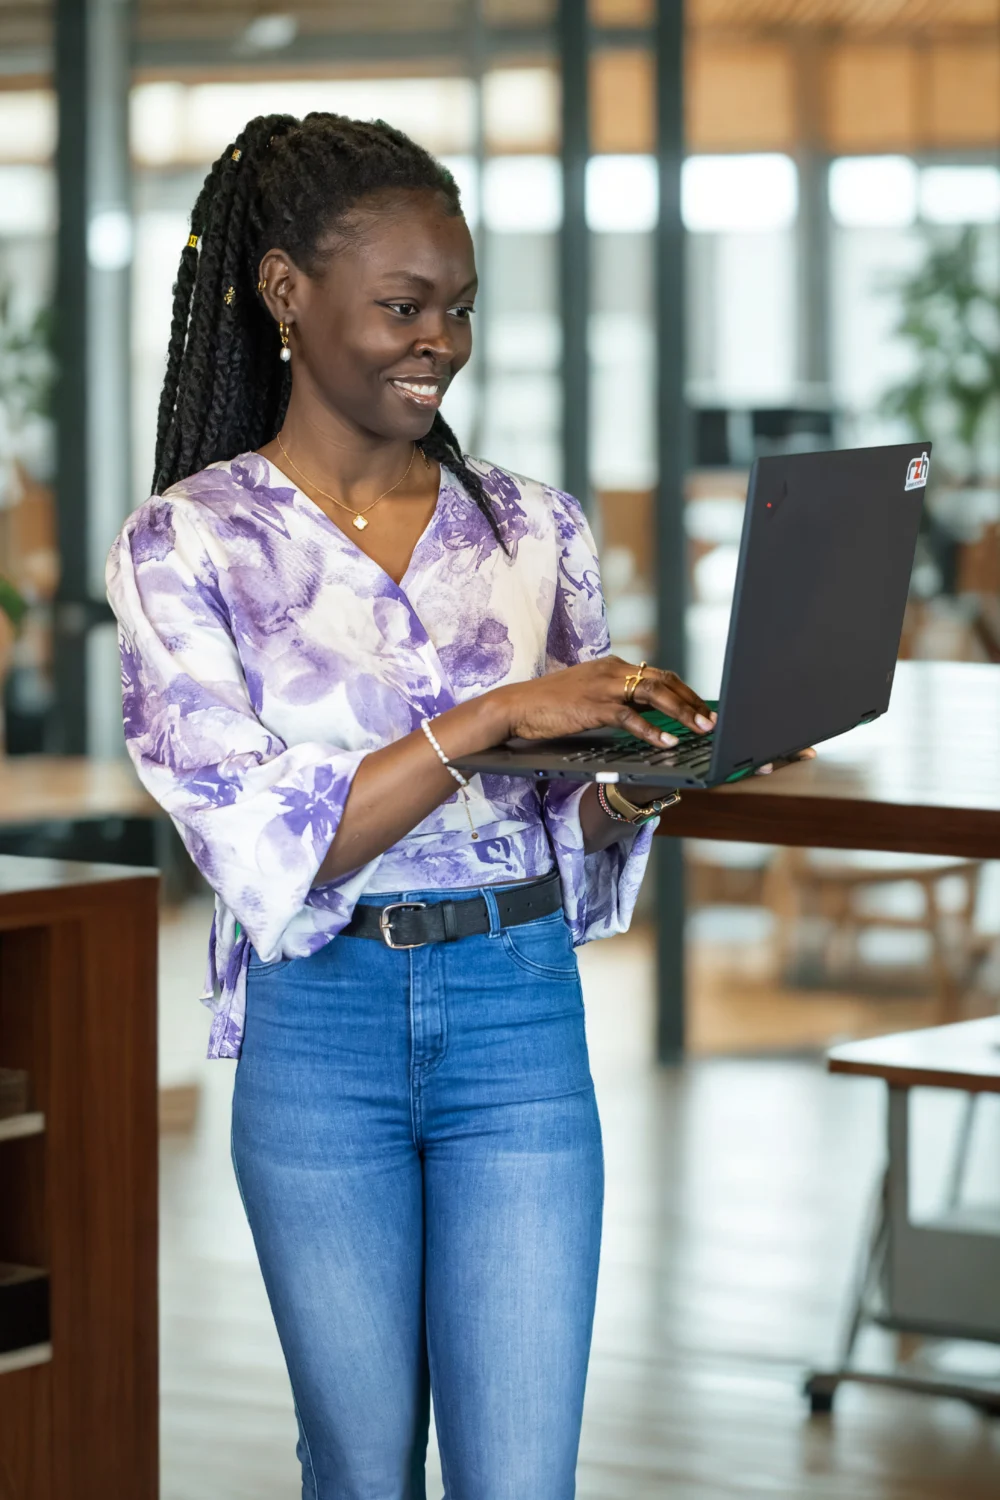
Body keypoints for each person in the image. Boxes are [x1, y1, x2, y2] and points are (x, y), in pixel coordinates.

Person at [106, 112, 800, 1500]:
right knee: (362, 1474)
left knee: (521, 1481)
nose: (440, 340)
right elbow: (258, 845)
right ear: (289, 294)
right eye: (405, 307)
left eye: (460, 310)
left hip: (518, 1014)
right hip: (326, 1031)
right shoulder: (187, 542)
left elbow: (573, 818)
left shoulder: (530, 527)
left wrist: (652, 771)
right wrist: (491, 716)